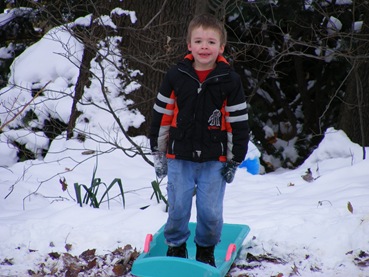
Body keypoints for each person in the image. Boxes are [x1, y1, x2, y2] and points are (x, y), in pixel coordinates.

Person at [149, 13, 249, 267]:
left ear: (221, 48)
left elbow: (238, 121)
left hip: (214, 159)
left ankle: (205, 249)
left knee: (210, 212)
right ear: (189, 45)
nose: (205, 46)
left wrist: (234, 158)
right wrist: (158, 152)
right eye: (199, 41)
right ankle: (176, 246)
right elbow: (162, 114)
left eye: (212, 42)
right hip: (179, 156)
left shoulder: (229, 80)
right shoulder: (176, 75)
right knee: (178, 207)